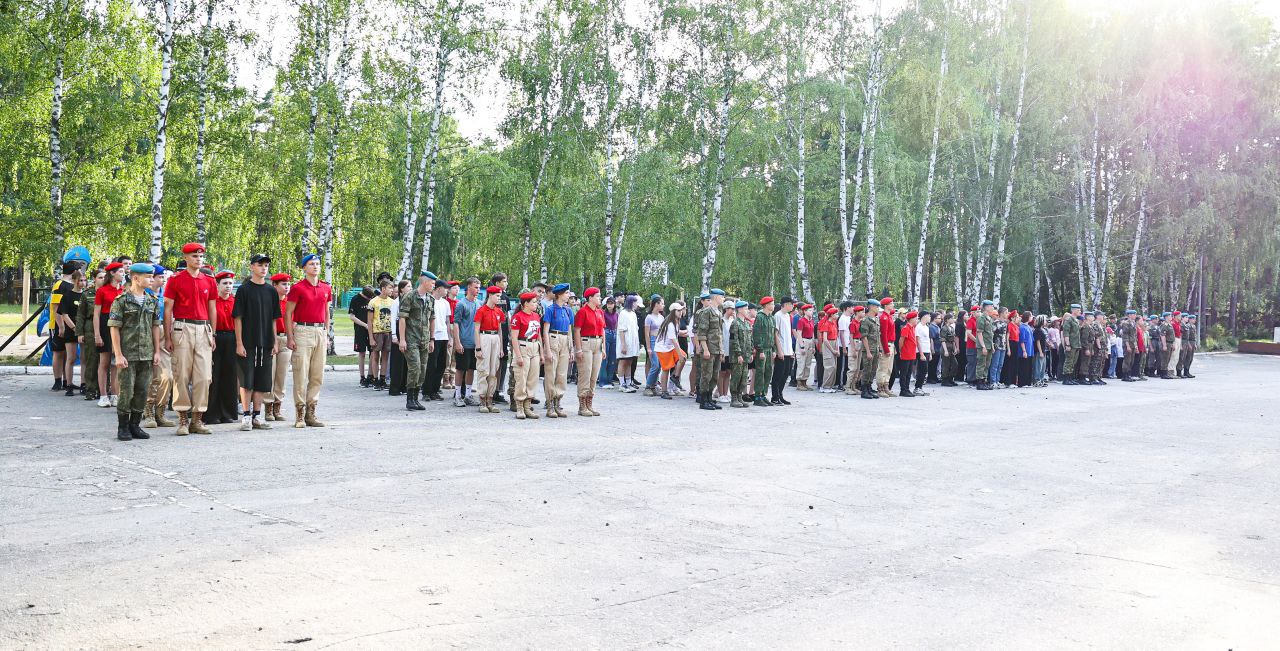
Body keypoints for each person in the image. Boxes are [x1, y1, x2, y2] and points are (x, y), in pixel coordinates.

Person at [164, 243, 217, 435]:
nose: (198, 259)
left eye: (201, 256)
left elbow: (212, 308)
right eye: (194, 256)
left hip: (203, 328)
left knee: (204, 376)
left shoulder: (209, 281)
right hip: (182, 327)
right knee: (181, 375)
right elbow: (168, 308)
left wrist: (213, 333)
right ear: (186, 257)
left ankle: (198, 418)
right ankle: (182, 419)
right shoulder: (176, 280)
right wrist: (168, 335)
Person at [107, 263, 163, 441]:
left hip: (146, 353)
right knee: (127, 392)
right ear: (135, 278)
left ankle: (135, 425)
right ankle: (122, 427)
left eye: (152, 276)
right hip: (127, 354)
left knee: (142, 391)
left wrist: (156, 351)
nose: (151, 279)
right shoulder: (121, 301)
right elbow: (114, 328)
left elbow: (156, 327)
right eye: (147, 277)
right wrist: (118, 354)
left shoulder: (152, 300)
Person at [232, 254, 280, 431]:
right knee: (247, 380)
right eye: (260, 265)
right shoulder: (244, 290)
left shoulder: (271, 291)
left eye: (266, 265)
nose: (264, 268)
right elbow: (238, 318)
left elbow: (274, 319)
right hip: (248, 342)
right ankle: (245, 416)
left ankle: (257, 415)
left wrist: (274, 341)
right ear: (252, 266)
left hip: (266, 342)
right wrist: (239, 342)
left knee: (262, 380)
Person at [285, 253, 333, 427]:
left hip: (319, 330)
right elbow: (288, 313)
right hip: (303, 330)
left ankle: (311, 413)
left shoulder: (326, 288)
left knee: (317, 374)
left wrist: (326, 333)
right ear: (304, 268)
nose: (315, 266)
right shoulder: (298, 288)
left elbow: (327, 312)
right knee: (301, 373)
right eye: (311, 264)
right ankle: (299, 413)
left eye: (317, 264)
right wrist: (290, 337)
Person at [205, 271, 240, 425]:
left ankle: (227, 413)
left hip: (232, 338)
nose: (228, 286)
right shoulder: (212, 302)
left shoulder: (236, 301)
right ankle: (212, 414)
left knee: (230, 376)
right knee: (214, 375)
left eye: (230, 283)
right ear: (217, 285)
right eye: (224, 283)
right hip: (216, 337)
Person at [398, 273, 435, 411]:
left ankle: (415, 398)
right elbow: (402, 319)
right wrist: (402, 340)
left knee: (423, 369)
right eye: (432, 283)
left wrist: (432, 339)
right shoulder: (410, 296)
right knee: (415, 367)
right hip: (411, 338)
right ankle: (409, 399)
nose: (433, 286)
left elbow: (432, 319)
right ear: (424, 282)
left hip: (424, 339)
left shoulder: (430, 299)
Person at [94, 262, 126, 408]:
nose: (123, 273)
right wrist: (97, 335)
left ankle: (115, 394)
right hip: (105, 325)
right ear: (112, 273)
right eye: (120, 271)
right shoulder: (102, 291)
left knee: (116, 363)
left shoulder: (125, 290)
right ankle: (103, 395)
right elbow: (96, 314)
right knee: (104, 363)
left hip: (120, 326)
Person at [541, 283, 574, 417]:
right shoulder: (550, 309)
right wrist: (547, 350)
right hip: (553, 338)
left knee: (561, 374)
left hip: (565, 340)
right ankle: (549, 404)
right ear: (559, 294)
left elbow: (570, 330)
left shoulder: (568, 310)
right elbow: (545, 331)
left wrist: (571, 348)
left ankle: (557, 402)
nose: (568, 295)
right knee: (551, 374)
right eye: (566, 293)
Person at [472, 285, 507, 414]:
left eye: (499, 296)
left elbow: (500, 330)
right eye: (497, 296)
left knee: (493, 370)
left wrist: (501, 348)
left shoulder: (499, 311)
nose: (499, 298)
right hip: (484, 337)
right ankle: (482, 399)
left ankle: (490, 399)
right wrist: (478, 347)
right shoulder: (481, 310)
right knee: (483, 369)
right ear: (490, 296)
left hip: (495, 339)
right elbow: (476, 329)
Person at [264, 273, 293, 420]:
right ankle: (268, 407)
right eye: (283, 284)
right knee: (270, 373)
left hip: (285, 339)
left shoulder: (290, 302)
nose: (286, 287)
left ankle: (277, 406)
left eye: (288, 284)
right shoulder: (269, 301)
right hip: (271, 339)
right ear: (275, 286)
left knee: (282, 375)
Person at [573, 287, 606, 416]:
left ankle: (589, 403)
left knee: (594, 375)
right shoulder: (582, 311)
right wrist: (579, 348)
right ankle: (582, 405)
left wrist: (604, 348)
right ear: (590, 298)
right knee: (585, 374)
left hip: (597, 343)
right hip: (586, 342)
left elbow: (602, 329)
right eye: (597, 296)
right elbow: (577, 330)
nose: (600, 298)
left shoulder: (600, 311)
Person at [49, 261, 81, 392]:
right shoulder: (60, 285)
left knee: (68, 354)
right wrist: (60, 326)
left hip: (70, 324)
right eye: (79, 269)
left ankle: (66, 381)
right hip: (58, 324)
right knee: (58, 352)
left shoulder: (73, 285)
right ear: (74, 271)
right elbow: (56, 308)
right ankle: (57, 380)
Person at [510, 291, 542, 419]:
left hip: (535, 347)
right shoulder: (517, 317)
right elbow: (514, 338)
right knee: (521, 378)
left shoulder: (536, 316)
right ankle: (519, 407)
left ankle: (528, 406)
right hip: (523, 346)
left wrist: (542, 352)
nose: (536, 304)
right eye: (533, 302)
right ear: (526, 304)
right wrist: (518, 356)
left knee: (532, 379)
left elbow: (538, 334)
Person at [449, 277, 481, 407]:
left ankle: (468, 395)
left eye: (479, 287)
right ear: (468, 288)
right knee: (460, 369)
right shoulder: (461, 304)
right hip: (463, 342)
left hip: (475, 343)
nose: (477, 290)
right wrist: (457, 342)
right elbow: (456, 324)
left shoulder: (479, 304)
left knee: (471, 369)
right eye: (475, 287)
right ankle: (457, 396)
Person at [76, 267, 105, 401]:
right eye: (100, 277)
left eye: (105, 277)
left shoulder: (110, 292)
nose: (103, 279)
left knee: (104, 361)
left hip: (105, 327)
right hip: (90, 328)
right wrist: (80, 333)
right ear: (94, 279)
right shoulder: (87, 294)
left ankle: (103, 389)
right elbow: (81, 314)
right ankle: (90, 389)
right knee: (92, 359)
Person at [55, 268, 84, 396]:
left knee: (84, 359)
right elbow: (64, 314)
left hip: (84, 330)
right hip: (71, 330)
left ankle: (84, 384)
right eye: (80, 281)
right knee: (71, 358)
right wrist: (74, 328)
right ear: (74, 281)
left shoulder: (86, 295)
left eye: (84, 280)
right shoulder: (67, 295)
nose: (83, 283)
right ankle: (69, 384)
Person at [423, 279, 451, 401]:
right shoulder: (429, 300)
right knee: (431, 365)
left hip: (443, 336)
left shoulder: (446, 303)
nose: (447, 290)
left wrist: (450, 338)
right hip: (433, 337)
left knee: (441, 365)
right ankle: (426, 392)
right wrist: (430, 338)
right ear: (438, 288)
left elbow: (447, 321)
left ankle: (435, 390)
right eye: (445, 288)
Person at [366, 280, 395, 391]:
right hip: (377, 332)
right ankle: (375, 379)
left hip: (388, 332)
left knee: (385, 356)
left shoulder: (392, 302)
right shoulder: (373, 302)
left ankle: (382, 379)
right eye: (389, 288)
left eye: (392, 288)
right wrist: (371, 337)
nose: (391, 290)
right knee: (375, 356)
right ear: (383, 289)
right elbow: (369, 321)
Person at [654, 301, 686, 400]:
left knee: (684, 357)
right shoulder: (671, 324)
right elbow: (673, 340)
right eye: (678, 311)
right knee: (666, 369)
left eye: (681, 310)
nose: (680, 312)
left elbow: (677, 334)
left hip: (669, 347)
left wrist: (687, 332)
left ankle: (675, 377)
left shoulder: (676, 321)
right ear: (673, 312)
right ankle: (664, 391)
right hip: (663, 348)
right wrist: (679, 353)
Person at [749, 295, 775, 407]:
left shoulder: (771, 318)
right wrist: (760, 349)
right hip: (762, 350)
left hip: (769, 349)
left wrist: (773, 349)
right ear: (766, 305)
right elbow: (756, 334)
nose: (773, 306)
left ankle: (764, 395)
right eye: (772, 304)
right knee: (760, 372)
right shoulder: (760, 317)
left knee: (768, 372)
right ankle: (757, 396)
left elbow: (772, 335)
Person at [387, 279, 410, 396]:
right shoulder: (396, 302)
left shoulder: (409, 300)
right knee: (397, 362)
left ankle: (404, 386)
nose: (410, 289)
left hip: (407, 331)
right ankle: (395, 387)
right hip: (397, 330)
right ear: (402, 289)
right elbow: (393, 319)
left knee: (406, 361)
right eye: (408, 287)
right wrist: (394, 336)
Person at [348, 286, 373, 387]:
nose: (369, 300)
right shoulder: (355, 299)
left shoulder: (372, 297)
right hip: (360, 330)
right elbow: (352, 317)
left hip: (372, 329)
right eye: (368, 298)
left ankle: (371, 376)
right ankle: (362, 377)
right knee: (362, 353)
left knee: (373, 352)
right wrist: (365, 325)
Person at [616, 295, 640, 393]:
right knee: (623, 361)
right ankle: (622, 384)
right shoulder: (623, 313)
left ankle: (629, 382)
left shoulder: (633, 314)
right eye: (635, 302)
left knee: (629, 361)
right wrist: (623, 344)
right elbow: (621, 329)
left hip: (632, 342)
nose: (636, 304)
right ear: (631, 302)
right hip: (625, 341)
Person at [641, 295, 665, 396]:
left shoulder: (661, 317)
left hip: (660, 341)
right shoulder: (649, 317)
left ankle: (653, 386)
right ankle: (648, 386)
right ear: (656, 304)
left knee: (659, 366)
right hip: (652, 341)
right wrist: (649, 348)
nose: (663, 305)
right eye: (662, 303)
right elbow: (647, 333)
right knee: (655, 365)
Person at [859, 300, 882, 399]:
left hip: (875, 349)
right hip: (869, 349)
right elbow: (864, 337)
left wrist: (880, 349)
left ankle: (869, 388)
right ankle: (864, 390)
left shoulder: (876, 319)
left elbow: (878, 336)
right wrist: (868, 351)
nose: (878, 309)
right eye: (877, 307)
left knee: (873, 370)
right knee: (867, 370)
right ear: (872, 307)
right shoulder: (865, 320)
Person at [791, 304, 815, 391]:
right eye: (809, 310)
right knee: (801, 362)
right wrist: (801, 346)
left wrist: (813, 346)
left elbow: (812, 334)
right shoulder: (801, 320)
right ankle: (799, 382)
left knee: (808, 363)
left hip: (809, 341)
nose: (811, 312)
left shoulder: (811, 321)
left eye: (812, 310)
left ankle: (805, 381)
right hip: (803, 341)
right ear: (805, 311)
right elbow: (799, 334)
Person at [875, 298, 896, 397]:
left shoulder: (889, 316)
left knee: (889, 368)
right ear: (886, 305)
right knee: (883, 367)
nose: (893, 304)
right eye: (891, 303)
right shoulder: (884, 317)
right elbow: (883, 335)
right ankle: (880, 388)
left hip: (891, 343)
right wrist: (886, 349)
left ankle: (886, 386)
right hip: (886, 344)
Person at [597, 295, 619, 390]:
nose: (610, 305)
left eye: (612, 303)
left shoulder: (616, 314)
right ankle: (603, 381)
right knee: (604, 359)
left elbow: (617, 326)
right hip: (606, 334)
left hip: (614, 335)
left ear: (614, 304)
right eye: (608, 303)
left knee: (612, 359)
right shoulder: (603, 313)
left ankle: (610, 380)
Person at [817, 306, 839, 393]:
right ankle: (825, 386)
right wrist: (832, 350)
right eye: (836, 314)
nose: (837, 315)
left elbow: (836, 337)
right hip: (828, 345)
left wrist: (836, 349)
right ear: (832, 315)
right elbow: (825, 339)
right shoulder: (826, 324)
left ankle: (830, 386)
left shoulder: (834, 323)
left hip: (834, 344)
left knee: (834, 367)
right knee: (829, 366)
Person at [897, 311, 919, 397]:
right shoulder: (906, 328)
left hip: (911, 353)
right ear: (911, 319)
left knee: (909, 373)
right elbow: (901, 341)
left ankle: (907, 388)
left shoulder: (912, 327)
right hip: (906, 353)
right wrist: (901, 351)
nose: (917, 320)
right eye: (916, 318)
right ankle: (903, 390)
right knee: (904, 373)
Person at [974, 300, 996, 391]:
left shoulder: (989, 319)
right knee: (981, 364)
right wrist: (983, 346)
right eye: (991, 306)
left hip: (989, 345)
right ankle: (979, 382)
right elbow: (979, 333)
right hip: (983, 345)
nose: (993, 308)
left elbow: (990, 334)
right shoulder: (981, 318)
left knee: (987, 364)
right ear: (986, 307)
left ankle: (984, 381)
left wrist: (992, 346)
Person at [1060, 303, 1083, 384]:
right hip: (1071, 344)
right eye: (1078, 310)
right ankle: (1066, 379)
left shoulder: (1076, 320)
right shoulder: (1069, 320)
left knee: (1073, 362)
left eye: (1080, 310)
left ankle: (1070, 378)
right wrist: (1067, 344)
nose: (1080, 311)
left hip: (1076, 344)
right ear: (1073, 310)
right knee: (1068, 361)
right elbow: (1066, 333)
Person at [914, 312, 932, 395]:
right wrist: (921, 354)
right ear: (924, 317)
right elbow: (918, 341)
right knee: (922, 370)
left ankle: (920, 387)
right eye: (928, 316)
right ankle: (917, 388)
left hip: (927, 350)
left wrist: (930, 353)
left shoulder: (926, 327)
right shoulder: (919, 327)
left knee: (925, 370)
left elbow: (927, 340)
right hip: (921, 351)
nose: (930, 317)